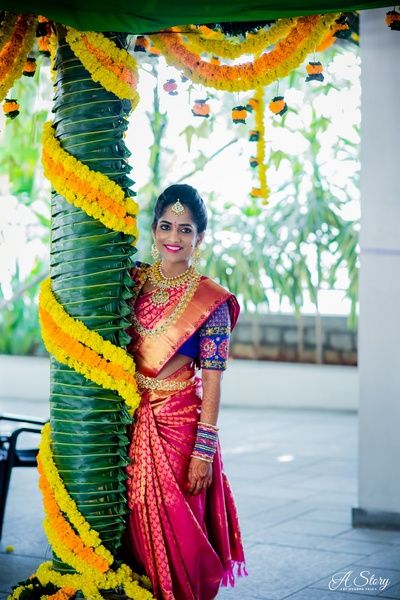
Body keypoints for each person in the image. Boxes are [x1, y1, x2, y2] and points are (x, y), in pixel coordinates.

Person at [126, 184, 247, 600]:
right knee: (129, 522)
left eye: (185, 230)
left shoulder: (211, 302)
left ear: (200, 237)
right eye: (165, 226)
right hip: (128, 418)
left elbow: (213, 380)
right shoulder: (134, 281)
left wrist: (203, 452)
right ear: (154, 229)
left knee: (180, 524)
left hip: (179, 426)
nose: (173, 238)